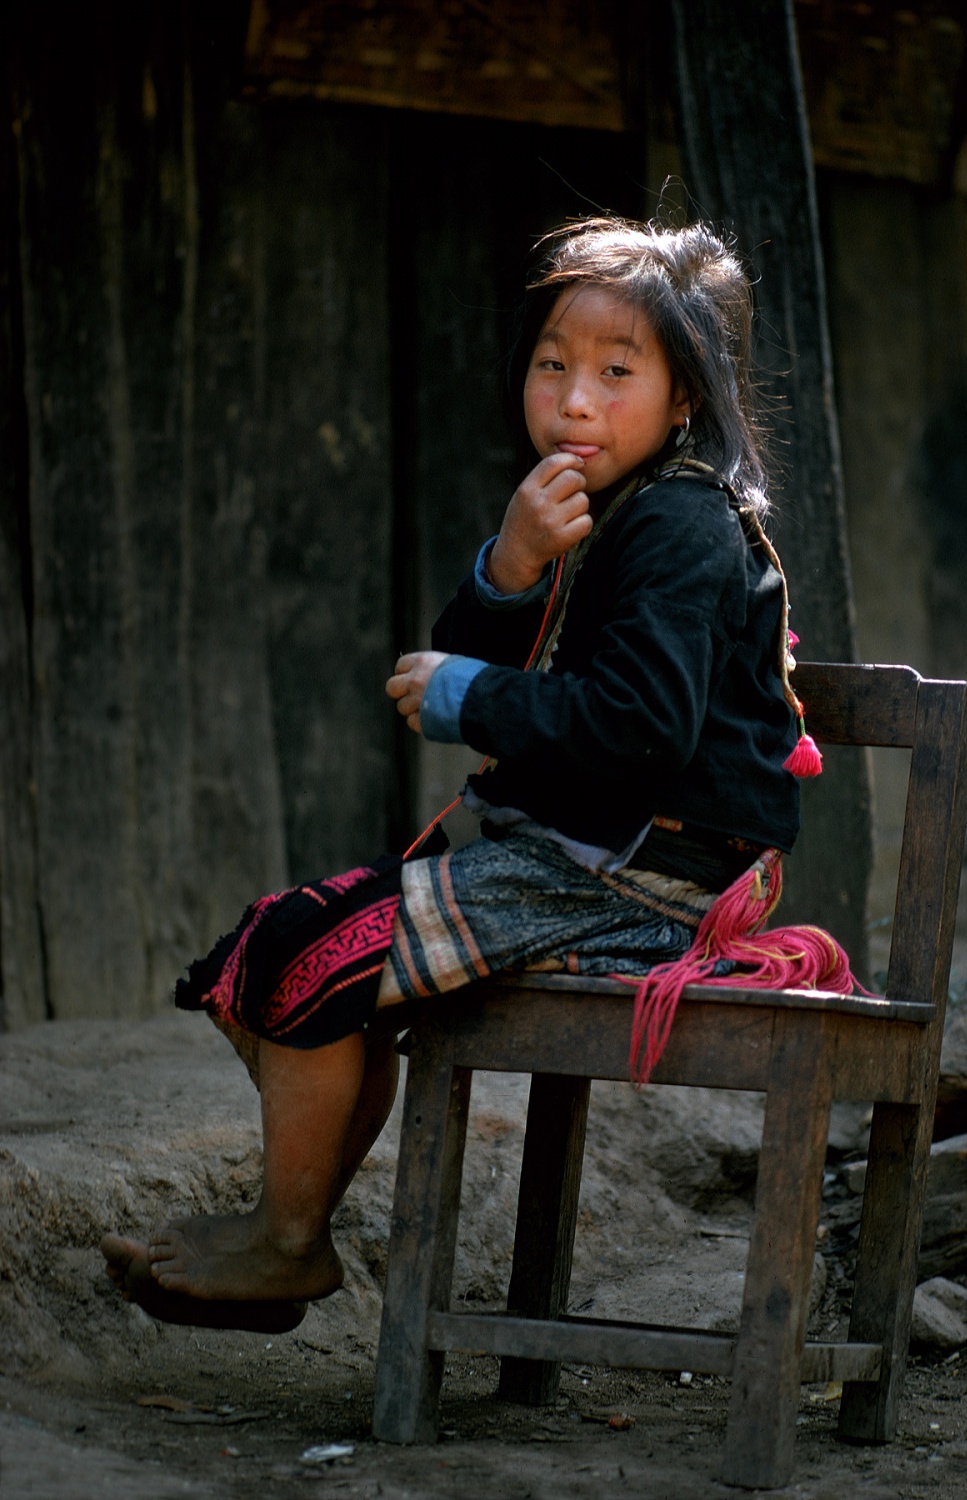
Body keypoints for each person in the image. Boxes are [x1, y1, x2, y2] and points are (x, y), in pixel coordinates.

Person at [101, 216, 805, 1331]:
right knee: (287, 951)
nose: (573, 400)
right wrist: (512, 564)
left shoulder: (680, 524)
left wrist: (469, 699)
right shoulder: (599, 507)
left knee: (306, 955)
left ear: (685, 403)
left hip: (643, 885)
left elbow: (642, 732)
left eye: (615, 374)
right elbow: (484, 653)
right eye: (551, 366)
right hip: (572, 863)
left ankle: (287, 1244)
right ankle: (290, 1234)